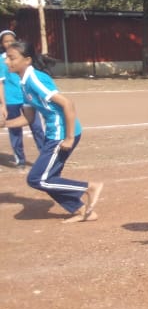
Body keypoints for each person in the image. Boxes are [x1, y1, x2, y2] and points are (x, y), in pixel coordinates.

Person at [1, 40, 103, 222]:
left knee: (37, 179)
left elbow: (67, 104)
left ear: (27, 60)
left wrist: (69, 137)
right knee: (49, 178)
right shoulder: (23, 83)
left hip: (62, 135)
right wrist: (4, 124)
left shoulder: (34, 80)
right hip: (53, 135)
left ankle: (89, 187)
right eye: (6, 57)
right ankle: (81, 211)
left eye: (11, 58)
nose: (6, 61)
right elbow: (28, 118)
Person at [1, 30, 44, 171]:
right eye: (5, 41)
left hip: (27, 98)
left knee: (37, 127)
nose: (8, 43)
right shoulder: (2, 60)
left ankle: (45, 156)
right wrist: (3, 104)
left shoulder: (23, 59)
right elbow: (0, 83)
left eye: (10, 40)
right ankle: (20, 160)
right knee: (15, 131)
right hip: (11, 100)